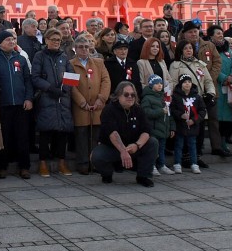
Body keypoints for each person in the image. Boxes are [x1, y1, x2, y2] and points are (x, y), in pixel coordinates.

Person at [90, 82, 158, 187]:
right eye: (126, 94)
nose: (130, 97)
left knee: (153, 142)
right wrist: (123, 151)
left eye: (133, 95)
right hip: (113, 148)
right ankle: (107, 174)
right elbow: (113, 133)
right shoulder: (109, 110)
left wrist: (137, 145)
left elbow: (147, 131)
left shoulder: (138, 109)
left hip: (133, 146)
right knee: (96, 156)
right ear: (118, 96)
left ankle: (143, 176)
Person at [0, 31, 33, 179]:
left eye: (13, 39)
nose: (12, 42)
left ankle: (24, 167)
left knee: (22, 137)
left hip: (21, 104)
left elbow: (28, 80)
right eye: (8, 39)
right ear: (0, 42)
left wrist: (28, 98)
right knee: (4, 136)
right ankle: (2, 166)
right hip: (3, 104)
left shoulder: (20, 59)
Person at [31, 28, 75, 178]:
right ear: (46, 40)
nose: (56, 42)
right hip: (46, 98)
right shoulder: (40, 56)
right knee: (45, 131)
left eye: (58, 40)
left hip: (62, 99)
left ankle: (62, 162)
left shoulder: (64, 57)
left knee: (62, 132)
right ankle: (43, 163)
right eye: (53, 39)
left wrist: (65, 88)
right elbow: (35, 77)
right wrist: (50, 88)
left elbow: (71, 76)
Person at [169, 40, 220, 165]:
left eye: (190, 48)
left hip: (198, 101)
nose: (188, 50)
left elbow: (208, 80)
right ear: (181, 50)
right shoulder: (176, 65)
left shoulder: (200, 64)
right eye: (185, 48)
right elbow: (173, 83)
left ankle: (196, 156)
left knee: (199, 129)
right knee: (184, 130)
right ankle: (185, 157)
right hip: (183, 102)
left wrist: (211, 93)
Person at [70, 38, 111, 175]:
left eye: (87, 47)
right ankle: (82, 164)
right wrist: (82, 102)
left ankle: (96, 163)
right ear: (75, 48)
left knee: (96, 136)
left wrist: (101, 99)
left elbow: (106, 81)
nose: (84, 49)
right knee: (81, 136)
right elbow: (71, 87)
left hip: (97, 107)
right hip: (80, 107)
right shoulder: (70, 64)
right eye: (81, 47)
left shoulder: (99, 63)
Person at [171, 74, 205, 174]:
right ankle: (177, 163)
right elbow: (172, 109)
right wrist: (180, 115)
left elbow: (202, 111)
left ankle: (194, 163)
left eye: (189, 82)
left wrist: (194, 120)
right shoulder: (176, 97)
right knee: (178, 145)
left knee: (192, 145)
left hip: (193, 126)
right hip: (180, 126)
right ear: (181, 84)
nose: (187, 84)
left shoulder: (197, 97)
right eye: (185, 82)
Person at [141, 75, 174, 175]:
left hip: (163, 129)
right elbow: (146, 112)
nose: (160, 85)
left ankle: (162, 165)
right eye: (157, 83)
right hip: (153, 129)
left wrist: (172, 127)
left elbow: (169, 114)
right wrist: (160, 111)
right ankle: (152, 166)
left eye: (161, 83)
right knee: (153, 149)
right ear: (151, 85)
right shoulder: (147, 98)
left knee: (161, 149)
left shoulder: (164, 97)